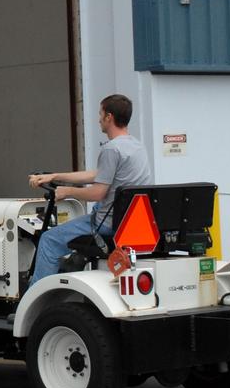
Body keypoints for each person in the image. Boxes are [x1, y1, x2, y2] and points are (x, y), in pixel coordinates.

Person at [27, 94, 152, 285]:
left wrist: (67, 192)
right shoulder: (136, 146)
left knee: (49, 240)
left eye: (100, 114)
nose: (98, 119)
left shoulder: (111, 149)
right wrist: (55, 176)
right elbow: (99, 175)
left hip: (106, 224)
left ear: (109, 117)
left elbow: (97, 193)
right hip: (128, 221)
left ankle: (37, 297)